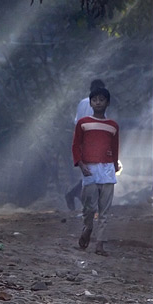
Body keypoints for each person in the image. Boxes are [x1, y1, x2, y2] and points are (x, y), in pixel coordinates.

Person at [72, 87, 120, 256]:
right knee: (89, 207)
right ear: (90, 102)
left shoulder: (113, 126)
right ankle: (88, 227)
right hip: (89, 169)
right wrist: (80, 164)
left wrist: (115, 166)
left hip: (107, 170)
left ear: (107, 102)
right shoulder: (83, 123)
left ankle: (100, 244)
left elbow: (115, 148)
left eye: (101, 99)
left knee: (105, 211)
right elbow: (76, 145)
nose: (98, 102)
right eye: (95, 100)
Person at [65, 79, 107, 210]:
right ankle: (74, 195)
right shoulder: (100, 106)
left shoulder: (83, 103)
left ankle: (78, 197)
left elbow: (77, 123)